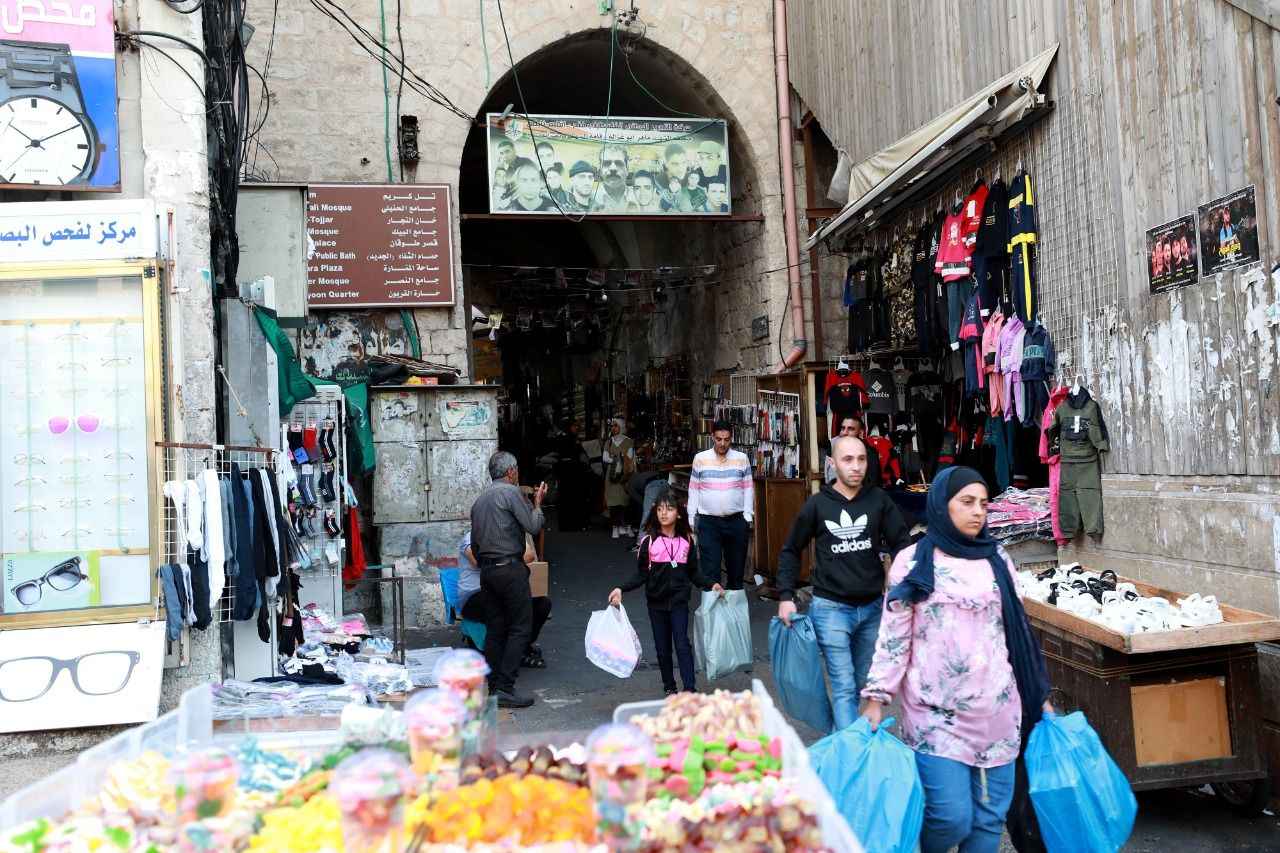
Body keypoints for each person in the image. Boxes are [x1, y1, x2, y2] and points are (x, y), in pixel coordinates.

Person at [861, 466, 1052, 853]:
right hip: (935, 716)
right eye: (966, 502)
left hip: (998, 711)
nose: (978, 511)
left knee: (989, 819)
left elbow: (1018, 632)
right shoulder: (912, 563)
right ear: (941, 504)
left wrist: (1039, 695)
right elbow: (894, 638)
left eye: (983, 503)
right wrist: (877, 697)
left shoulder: (997, 559)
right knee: (949, 818)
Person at [776, 434, 911, 730]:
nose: (856, 466)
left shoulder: (878, 500)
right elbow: (790, 549)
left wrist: (901, 580)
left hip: (872, 608)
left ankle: (843, 738)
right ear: (833, 463)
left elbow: (902, 543)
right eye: (848, 459)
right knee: (844, 684)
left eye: (861, 459)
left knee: (863, 682)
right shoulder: (817, 505)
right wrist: (785, 596)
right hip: (830, 609)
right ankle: (849, 751)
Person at [608, 488, 724, 695]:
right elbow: (641, 575)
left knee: (682, 644)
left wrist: (711, 585)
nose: (664, 513)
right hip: (656, 604)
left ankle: (689, 689)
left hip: (679, 602)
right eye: (660, 509)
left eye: (669, 509)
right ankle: (669, 687)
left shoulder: (687, 540)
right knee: (663, 649)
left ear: (678, 513)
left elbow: (694, 573)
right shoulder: (649, 542)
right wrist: (621, 588)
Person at [469, 450, 548, 708]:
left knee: (496, 628)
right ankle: (504, 686)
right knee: (520, 627)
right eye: (517, 471)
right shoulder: (511, 493)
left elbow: (475, 545)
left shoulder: (480, 501)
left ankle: (494, 687)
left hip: (488, 572)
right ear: (511, 472)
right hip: (509, 569)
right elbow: (533, 526)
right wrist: (537, 504)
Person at [459, 529, 551, 669]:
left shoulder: (512, 533)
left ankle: (521, 648)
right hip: (475, 595)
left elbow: (529, 555)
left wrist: (502, 559)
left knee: (542, 604)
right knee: (505, 607)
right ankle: (503, 654)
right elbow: (479, 561)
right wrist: (512, 558)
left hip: (505, 591)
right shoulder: (471, 537)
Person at [687, 420, 754, 590]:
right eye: (718, 439)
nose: (722, 443)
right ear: (712, 437)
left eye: (726, 439)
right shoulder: (700, 459)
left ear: (731, 438)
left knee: (736, 571)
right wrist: (691, 517)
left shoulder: (742, 459)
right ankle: (713, 607)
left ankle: (734, 606)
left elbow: (748, 488)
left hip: (736, 521)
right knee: (710, 573)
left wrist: (747, 516)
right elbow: (694, 489)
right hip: (708, 522)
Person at [825, 415, 880, 489]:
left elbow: (872, 482)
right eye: (843, 428)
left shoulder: (869, 452)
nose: (844, 432)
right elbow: (828, 473)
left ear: (860, 432)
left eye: (850, 429)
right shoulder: (833, 445)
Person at [602, 418, 635, 539]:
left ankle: (625, 526)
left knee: (625, 501)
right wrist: (617, 459)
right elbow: (605, 458)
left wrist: (615, 459)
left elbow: (629, 458)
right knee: (613, 502)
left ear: (621, 427)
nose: (613, 428)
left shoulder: (628, 441)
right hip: (611, 476)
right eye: (612, 426)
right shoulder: (609, 442)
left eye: (616, 426)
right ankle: (615, 527)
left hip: (624, 476)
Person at [592, 144, 631, 212]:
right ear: (600, 170)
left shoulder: (639, 197)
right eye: (606, 163)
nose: (613, 168)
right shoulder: (590, 199)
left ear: (627, 169)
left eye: (618, 163)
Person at [658, 143, 692, 212]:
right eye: (675, 164)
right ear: (666, 164)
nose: (681, 169)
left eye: (684, 163)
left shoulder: (691, 179)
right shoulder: (658, 182)